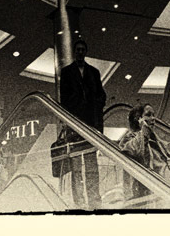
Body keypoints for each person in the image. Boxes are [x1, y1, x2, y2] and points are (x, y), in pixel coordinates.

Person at [59, 38, 106, 210]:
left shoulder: (94, 72)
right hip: (75, 124)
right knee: (76, 167)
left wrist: (95, 107)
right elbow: (64, 99)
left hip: (91, 124)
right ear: (74, 52)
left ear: (85, 52)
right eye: (77, 49)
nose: (80, 52)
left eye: (82, 49)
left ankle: (94, 201)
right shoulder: (66, 72)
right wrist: (75, 110)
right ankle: (79, 202)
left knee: (91, 165)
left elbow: (101, 94)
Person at [118, 103, 170, 202]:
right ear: (138, 119)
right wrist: (144, 130)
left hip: (163, 190)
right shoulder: (128, 139)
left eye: (153, 115)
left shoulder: (158, 141)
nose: (153, 118)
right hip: (144, 196)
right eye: (148, 115)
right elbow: (133, 151)